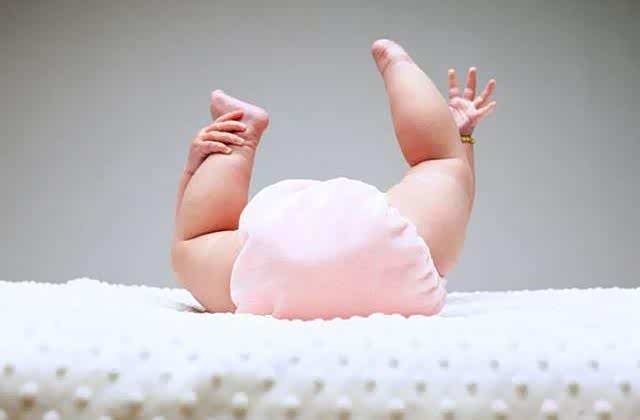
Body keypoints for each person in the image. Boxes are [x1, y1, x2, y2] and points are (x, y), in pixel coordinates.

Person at [171, 39, 496, 319]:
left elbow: (191, 237)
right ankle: (397, 64)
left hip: (264, 267)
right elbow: (459, 194)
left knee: (196, 240)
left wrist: (192, 170)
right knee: (440, 161)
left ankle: (238, 136)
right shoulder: (413, 254)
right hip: (391, 252)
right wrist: (460, 141)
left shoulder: (249, 277)